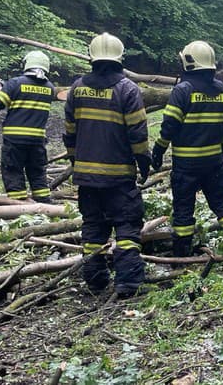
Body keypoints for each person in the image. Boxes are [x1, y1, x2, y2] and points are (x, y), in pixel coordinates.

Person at [63, 33, 151, 297]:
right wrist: (143, 161)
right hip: (119, 177)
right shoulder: (127, 90)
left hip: (86, 178)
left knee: (92, 228)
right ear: (120, 58)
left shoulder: (76, 89)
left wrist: (75, 161)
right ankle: (128, 282)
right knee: (126, 226)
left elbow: (69, 132)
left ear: (91, 57)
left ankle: (95, 280)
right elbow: (137, 132)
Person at [151, 41, 223, 257]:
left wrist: (158, 151)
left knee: (183, 210)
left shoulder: (182, 91)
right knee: (222, 204)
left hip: (186, 165)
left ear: (187, 62)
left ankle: (182, 255)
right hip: (213, 163)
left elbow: (169, 126)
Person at [0, 51, 54, 202]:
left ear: (27, 64)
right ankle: (44, 205)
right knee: (37, 172)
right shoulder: (50, 88)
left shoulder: (15, 83)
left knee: (13, 171)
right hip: (37, 140)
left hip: (15, 139)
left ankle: (18, 206)